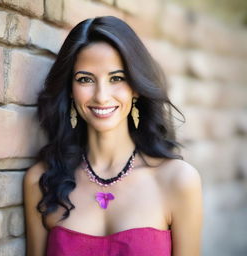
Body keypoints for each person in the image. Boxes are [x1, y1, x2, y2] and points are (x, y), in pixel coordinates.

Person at [24, 16, 203, 256]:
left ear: (136, 87)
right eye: (85, 79)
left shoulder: (178, 181)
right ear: (69, 90)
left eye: (116, 78)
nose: (101, 96)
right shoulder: (42, 181)